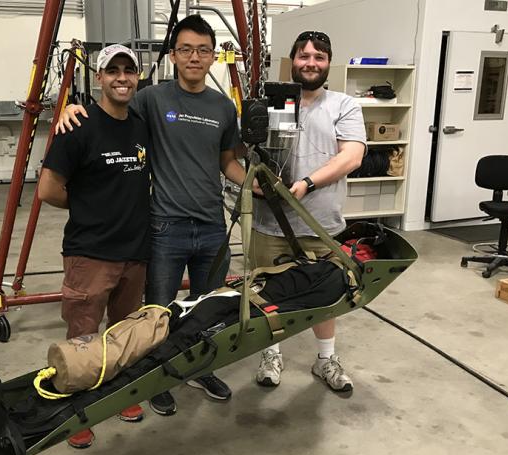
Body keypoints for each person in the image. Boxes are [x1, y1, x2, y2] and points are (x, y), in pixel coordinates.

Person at [57, 15, 254, 416]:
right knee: (156, 313)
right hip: (166, 227)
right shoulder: (152, 99)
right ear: (174, 56)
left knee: (207, 307)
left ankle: (201, 367)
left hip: (213, 227)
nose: (194, 57)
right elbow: (111, 109)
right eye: (186, 49)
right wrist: (69, 111)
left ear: (213, 56)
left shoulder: (222, 107)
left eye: (202, 50)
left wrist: (255, 182)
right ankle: (157, 376)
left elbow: (227, 163)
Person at [39, 44, 150, 449]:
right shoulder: (78, 127)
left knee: (123, 333)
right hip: (91, 253)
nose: (122, 77)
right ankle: (77, 414)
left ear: (138, 77)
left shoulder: (140, 125)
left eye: (129, 70)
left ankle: (117, 399)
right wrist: (88, 205)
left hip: (135, 252)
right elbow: (48, 190)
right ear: (99, 78)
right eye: (113, 71)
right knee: (83, 336)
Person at [252, 31, 366, 391]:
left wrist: (306, 184)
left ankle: (325, 359)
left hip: (321, 223)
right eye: (303, 56)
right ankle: (271, 353)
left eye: (318, 56)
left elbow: (352, 155)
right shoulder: (274, 102)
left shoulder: (343, 105)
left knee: (327, 295)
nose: (311, 63)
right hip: (271, 222)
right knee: (267, 292)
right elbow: (251, 152)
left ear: (328, 62)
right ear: (293, 60)